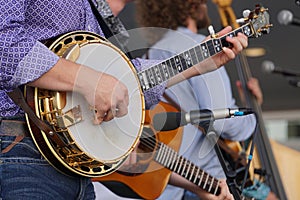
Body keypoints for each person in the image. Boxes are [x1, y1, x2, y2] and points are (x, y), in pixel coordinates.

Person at [0, 0, 248, 199]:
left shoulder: (95, 8)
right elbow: (3, 43)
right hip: (21, 149)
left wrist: (197, 63)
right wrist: (88, 80)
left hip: (75, 168)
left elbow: (123, 81)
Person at [135, 0, 267, 200]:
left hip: (165, 182)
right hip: (205, 183)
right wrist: (252, 115)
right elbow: (222, 121)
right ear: (191, 5)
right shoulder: (198, 46)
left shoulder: (149, 55)